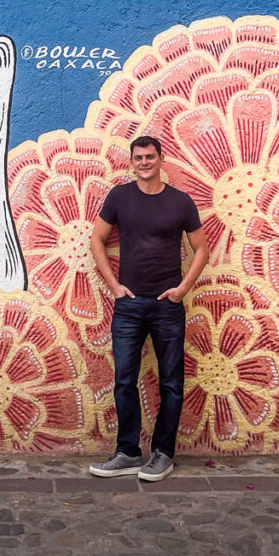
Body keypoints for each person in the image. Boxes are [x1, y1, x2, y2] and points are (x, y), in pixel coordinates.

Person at [89, 135, 209, 481]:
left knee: (171, 382)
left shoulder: (181, 202)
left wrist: (183, 288)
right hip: (128, 305)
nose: (144, 162)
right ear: (132, 161)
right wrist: (115, 287)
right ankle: (127, 451)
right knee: (124, 379)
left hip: (167, 306)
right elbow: (97, 240)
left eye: (150, 156)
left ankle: (163, 453)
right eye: (138, 157)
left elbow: (200, 248)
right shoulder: (119, 197)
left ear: (161, 159)